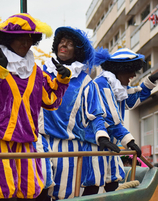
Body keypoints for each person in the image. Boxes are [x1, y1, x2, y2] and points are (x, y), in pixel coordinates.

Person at [0, 13, 71, 200]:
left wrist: (62, 81)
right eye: (20, 38)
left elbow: (51, 101)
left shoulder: (34, 69)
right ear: (8, 38)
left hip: (26, 142)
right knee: (3, 194)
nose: (25, 43)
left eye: (30, 38)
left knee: (28, 193)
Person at [37, 26, 120, 200]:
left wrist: (102, 137)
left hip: (68, 146)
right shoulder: (42, 72)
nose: (64, 45)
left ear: (77, 52)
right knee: (38, 188)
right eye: (61, 41)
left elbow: (95, 113)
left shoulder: (85, 82)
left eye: (70, 44)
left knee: (63, 194)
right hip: (39, 141)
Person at [93, 47, 158, 192]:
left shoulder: (116, 85)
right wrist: (130, 142)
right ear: (120, 69)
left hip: (110, 146)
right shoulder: (101, 84)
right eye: (131, 70)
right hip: (96, 144)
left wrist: (149, 81)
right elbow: (110, 120)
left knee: (112, 183)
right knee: (93, 187)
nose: (133, 75)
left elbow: (132, 99)